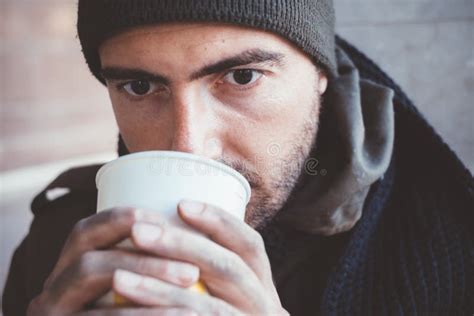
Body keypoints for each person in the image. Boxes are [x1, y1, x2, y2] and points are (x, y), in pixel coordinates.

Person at [3, 1, 473, 315]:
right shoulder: (58, 249)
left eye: (243, 77)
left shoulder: (452, 244)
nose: (189, 146)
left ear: (320, 75)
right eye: (141, 87)